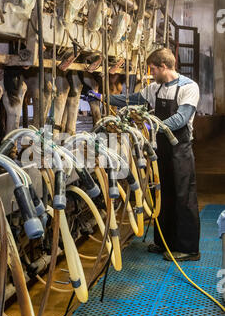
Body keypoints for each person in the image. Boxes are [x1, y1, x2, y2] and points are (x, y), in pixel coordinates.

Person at [86, 48, 201, 261]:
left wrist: (150, 127)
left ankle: (188, 248)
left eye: (154, 69)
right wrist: (101, 97)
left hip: (180, 149)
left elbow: (181, 119)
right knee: (161, 194)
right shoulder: (154, 88)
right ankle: (163, 242)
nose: (152, 73)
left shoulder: (188, 87)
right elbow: (130, 100)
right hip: (160, 149)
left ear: (164, 67)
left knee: (183, 197)